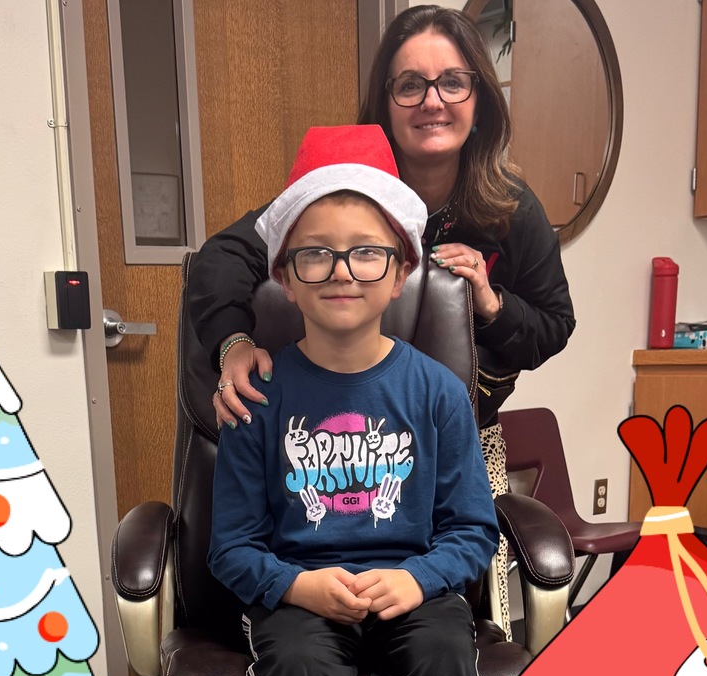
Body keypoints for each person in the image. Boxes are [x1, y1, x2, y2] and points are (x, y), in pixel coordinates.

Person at [208, 123, 497, 676]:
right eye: (318, 255)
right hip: (301, 593)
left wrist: (419, 579)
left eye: (366, 254)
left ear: (402, 269)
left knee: (450, 650)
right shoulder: (258, 396)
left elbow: (473, 530)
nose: (342, 271)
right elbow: (231, 547)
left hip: (411, 584)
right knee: (293, 668)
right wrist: (299, 587)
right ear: (285, 277)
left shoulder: (438, 394)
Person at [189, 4, 574, 642]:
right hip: (316, 431)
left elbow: (555, 324)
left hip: (453, 427)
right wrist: (233, 341)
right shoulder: (341, 192)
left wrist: (488, 301)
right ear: (385, 100)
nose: (433, 101)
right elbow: (226, 256)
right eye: (410, 85)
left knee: (459, 628)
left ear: (478, 97)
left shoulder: (510, 205)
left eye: (453, 82)